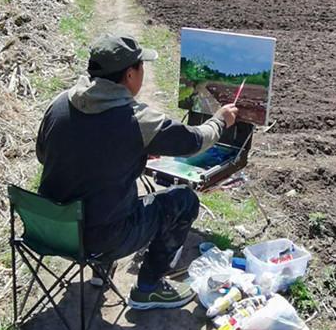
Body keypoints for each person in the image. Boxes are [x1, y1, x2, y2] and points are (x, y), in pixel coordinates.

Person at [36, 32, 238, 310]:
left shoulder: (59, 103)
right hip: (103, 237)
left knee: (95, 193)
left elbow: (43, 155)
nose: (143, 72)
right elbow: (193, 141)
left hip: (49, 228)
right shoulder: (137, 120)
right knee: (184, 200)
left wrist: (132, 153)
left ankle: (100, 271)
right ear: (130, 74)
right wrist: (219, 121)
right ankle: (148, 288)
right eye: (142, 66)